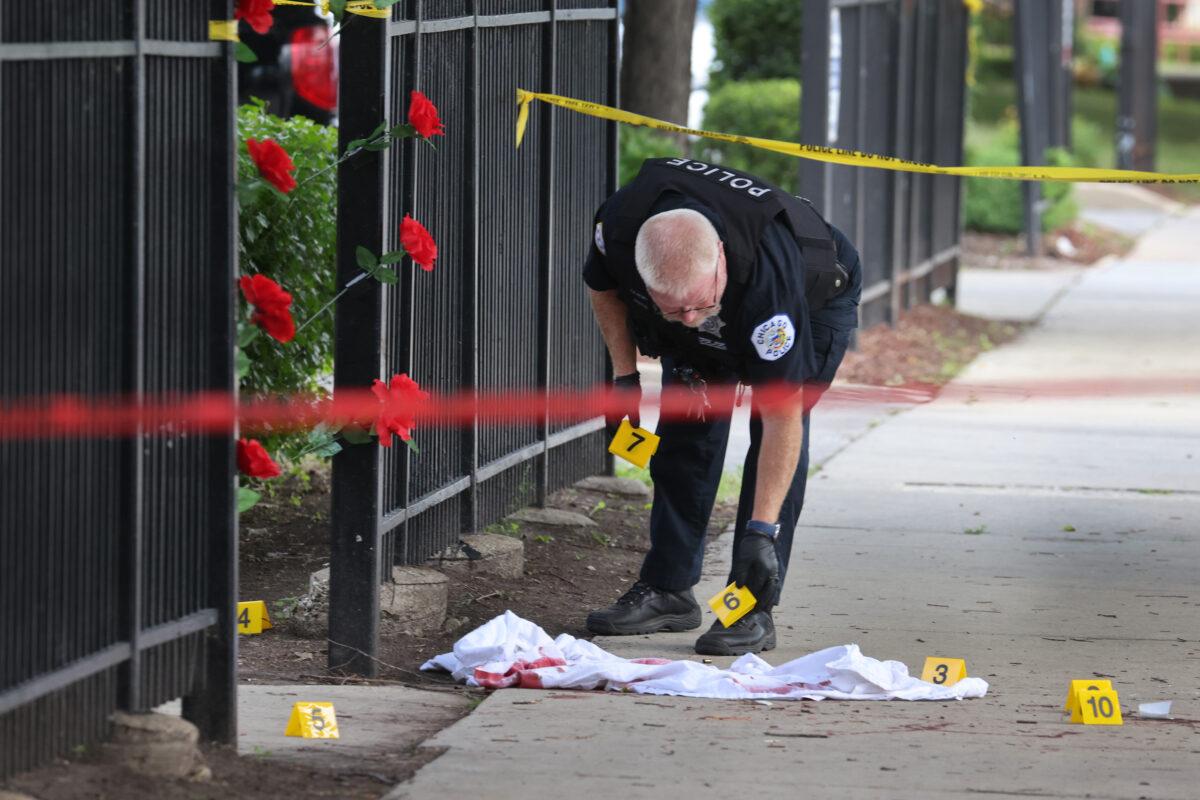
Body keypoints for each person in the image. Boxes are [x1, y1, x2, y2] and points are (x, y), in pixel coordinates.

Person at [583, 157, 862, 655]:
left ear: (719, 258)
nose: (691, 321)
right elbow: (603, 289)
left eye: (698, 305)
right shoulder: (619, 228)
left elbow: (781, 420)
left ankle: (749, 605)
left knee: (772, 441)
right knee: (685, 433)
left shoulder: (766, 284)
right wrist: (625, 379)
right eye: (674, 309)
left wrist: (760, 530)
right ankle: (668, 589)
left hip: (815, 297)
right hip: (713, 289)